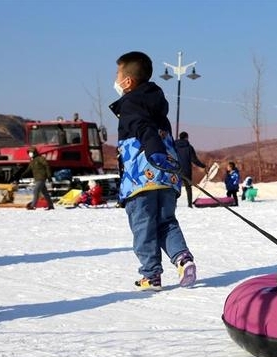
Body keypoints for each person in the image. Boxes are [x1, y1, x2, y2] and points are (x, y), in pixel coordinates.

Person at [109, 50, 196, 291]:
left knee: (143, 226)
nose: (115, 79)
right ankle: (182, 258)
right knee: (166, 222)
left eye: (117, 74)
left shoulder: (130, 103)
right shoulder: (156, 103)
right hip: (167, 176)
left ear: (128, 81)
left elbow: (142, 127)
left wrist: (153, 150)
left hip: (141, 177)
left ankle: (151, 275)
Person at [175, 131, 206, 208]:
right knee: (188, 188)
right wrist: (203, 166)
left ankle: (173, 204)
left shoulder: (174, 146)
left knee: (175, 187)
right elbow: (194, 160)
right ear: (186, 137)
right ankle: (189, 204)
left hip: (176, 170)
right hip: (186, 171)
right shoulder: (189, 147)